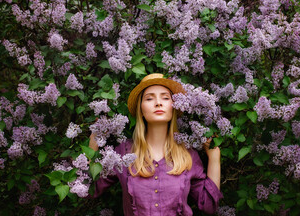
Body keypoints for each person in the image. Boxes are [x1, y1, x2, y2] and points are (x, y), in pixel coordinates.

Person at [89, 73, 223, 215]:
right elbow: (90, 189)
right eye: (149, 98)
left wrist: (214, 159)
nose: (158, 103)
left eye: (165, 98)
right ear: (140, 109)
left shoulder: (188, 155)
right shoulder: (123, 153)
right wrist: (93, 144)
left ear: (174, 107)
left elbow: (208, 206)